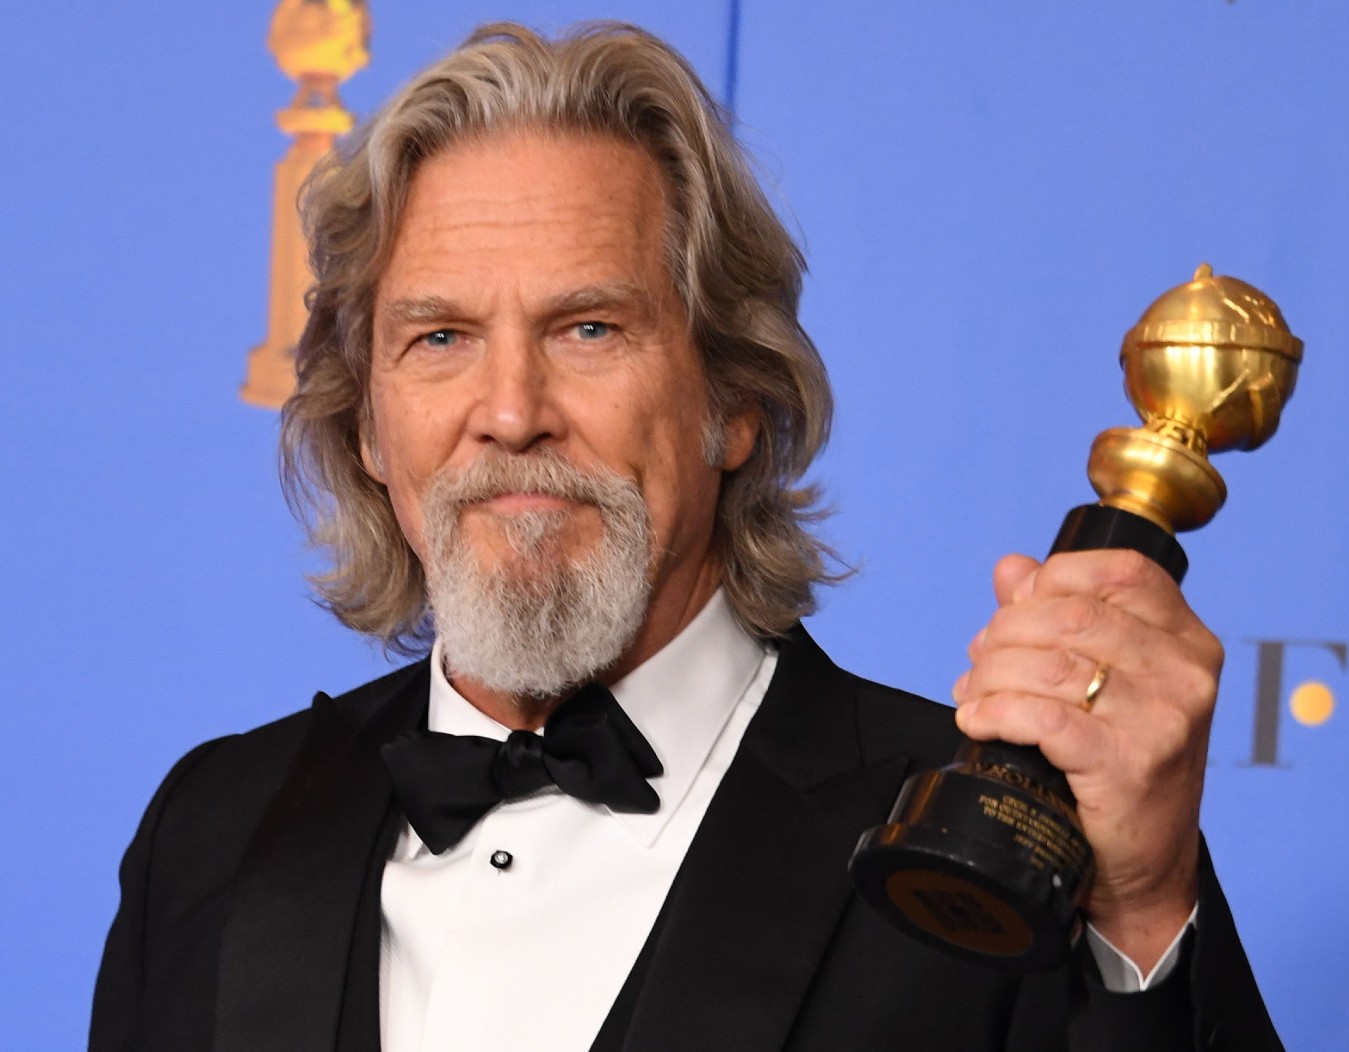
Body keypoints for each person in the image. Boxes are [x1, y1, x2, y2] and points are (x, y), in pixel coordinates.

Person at [90, 21, 1281, 1052]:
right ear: (367, 426)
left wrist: (1143, 909)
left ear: (735, 402)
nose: (510, 411)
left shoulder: (981, 840)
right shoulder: (214, 827)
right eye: (439, 337)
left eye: (590, 326)